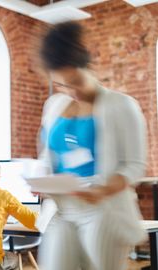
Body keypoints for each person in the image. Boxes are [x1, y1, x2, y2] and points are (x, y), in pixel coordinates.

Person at [37, 21, 147, 270]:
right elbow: (48, 156)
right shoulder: (54, 106)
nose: (70, 90)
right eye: (62, 84)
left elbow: (135, 166)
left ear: (86, 66)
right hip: (62, 209)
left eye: (75, 81)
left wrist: (103, 191)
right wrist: (41, 181)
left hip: (102, 210)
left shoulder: (121, 105)